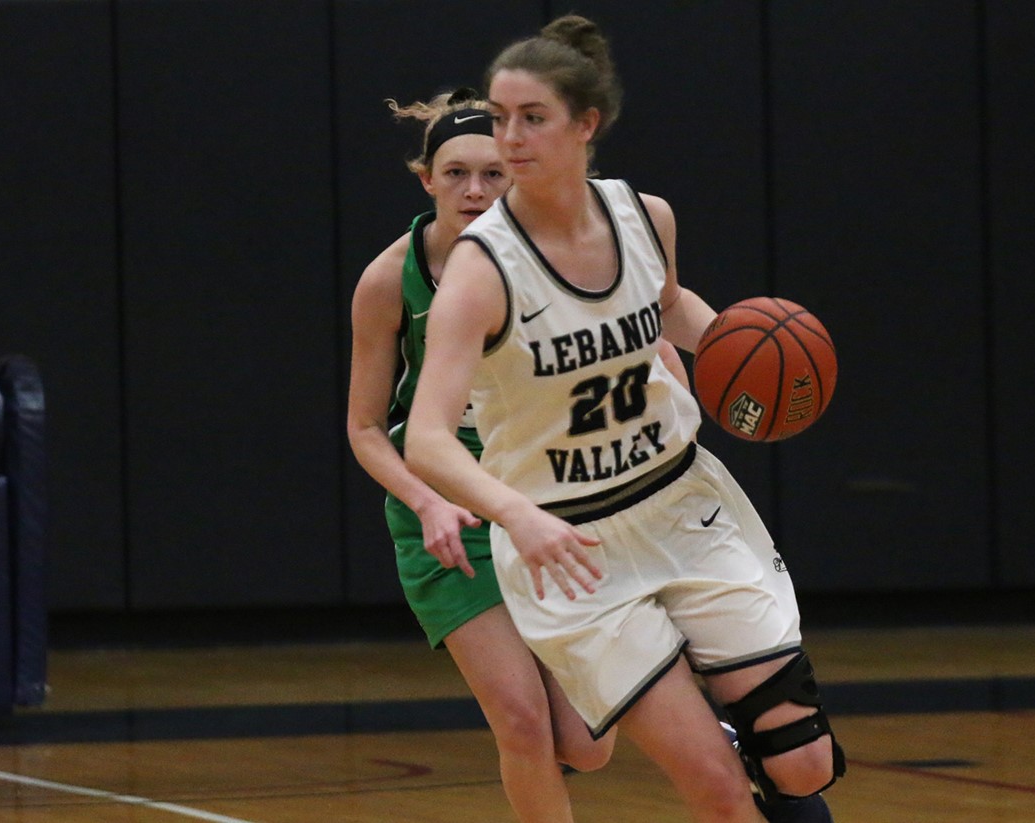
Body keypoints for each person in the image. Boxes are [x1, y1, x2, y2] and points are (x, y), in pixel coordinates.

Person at [405, 15, 845, 823]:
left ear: (584, 125)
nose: (509, 138)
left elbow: (671, 306)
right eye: (500, 118)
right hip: (572, 549)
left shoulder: (646, 218)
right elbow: (426, 436)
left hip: (683, 505)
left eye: (530, 118)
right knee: (713, 785)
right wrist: (515, 514)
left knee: (803, 762)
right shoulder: (479, 271)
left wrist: (748, 366)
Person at [345, 87, 614, 823]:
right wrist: (428, 499)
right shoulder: (387, 280)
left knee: (587, 744)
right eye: (455, 172)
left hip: (544, 490)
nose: (474, 189)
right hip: (444, 509)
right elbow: (366, 428)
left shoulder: (556, 255)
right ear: (425, 178)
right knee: (521, 722)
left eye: (493, 173)